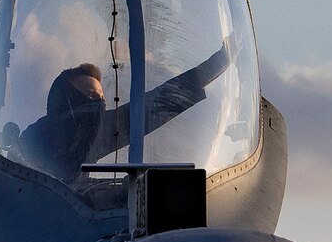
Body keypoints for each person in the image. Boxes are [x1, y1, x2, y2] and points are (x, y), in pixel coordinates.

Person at [19, 43, 232, 183]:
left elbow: (155, 104)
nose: (100, 105)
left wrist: (219, 62)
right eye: (92, 97)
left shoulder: (96, 131)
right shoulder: (25, 152)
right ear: (67, 100)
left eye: (102, 99)